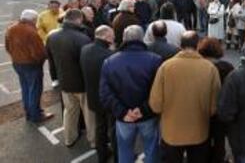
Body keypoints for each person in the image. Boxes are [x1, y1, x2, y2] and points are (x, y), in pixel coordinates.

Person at [149, 31, 221, 163]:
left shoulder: (166, 67)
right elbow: (214, 106)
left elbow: (155, 104)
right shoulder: (210, 68)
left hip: (171, 132)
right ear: (198, 45)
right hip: (199, 130)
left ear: (180, 45)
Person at [100, 25, 162, 163]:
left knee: (124, 151)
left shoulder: (110, 62)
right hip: (147, 116)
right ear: (142, 38)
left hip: (124, 119)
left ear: (123, 38)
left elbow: (105, 93)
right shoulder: (155, 60)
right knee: (151, 149)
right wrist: (143, 110)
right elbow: (158, 91)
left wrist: (123, 112)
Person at [46, 9, 95, 148]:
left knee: (69, 112)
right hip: (82, 83)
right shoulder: (82, 38)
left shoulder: (52, 36)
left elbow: (51, 61)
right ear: (78, 19)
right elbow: (87, 63)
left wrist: (55, 79)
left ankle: (69, 138)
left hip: (64, 82)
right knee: (89, 114)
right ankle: (93, 140)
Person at [5, 9, 53, 123]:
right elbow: (38, 53)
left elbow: (7, 47)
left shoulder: (11, 29)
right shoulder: (31, 32)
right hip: (31, 65)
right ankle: (36, 115)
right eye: (35, 20)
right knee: (35, 90)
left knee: (25, 89)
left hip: (17, 63)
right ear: (32, 20)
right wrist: (42, 59)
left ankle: (29, 112)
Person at [80, 26, 116, 163]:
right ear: (106, 37)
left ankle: (102, 155)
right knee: (113, 128)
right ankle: (117, 153)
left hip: (93, 97)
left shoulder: (85, 49)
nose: (113, 39)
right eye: (112, 36)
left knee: (100, 127)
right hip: (108, 98)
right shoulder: (110, 55)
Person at [197, 37, 234, 163]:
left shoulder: (199, 67)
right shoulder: (227, 67)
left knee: (203, 139)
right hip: (221, 110)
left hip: (202, 109)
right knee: (219, 139)